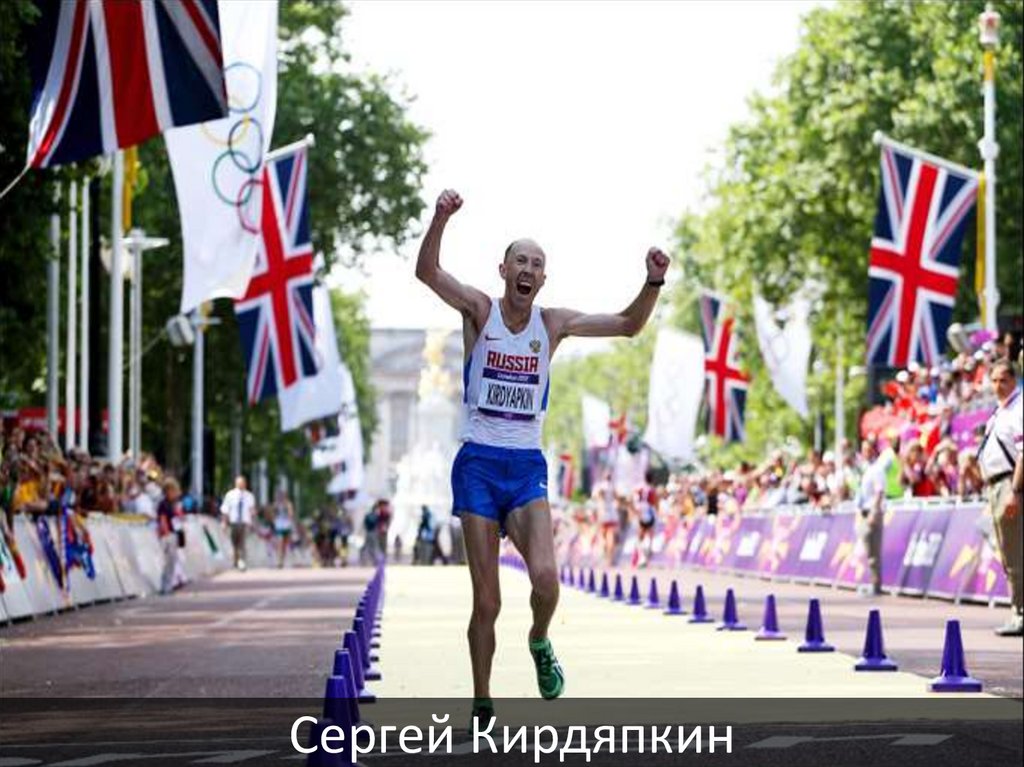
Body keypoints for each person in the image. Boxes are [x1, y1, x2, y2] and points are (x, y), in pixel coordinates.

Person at [415, 188, 669, 723]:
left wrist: (653, 281)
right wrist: (440, 218)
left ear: (542, 280)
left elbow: (628, 325)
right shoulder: (479, 309)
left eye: (537, 264)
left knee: (547, 582)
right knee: (487, 602)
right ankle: (483, 699)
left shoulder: (550, 324)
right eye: (520, 261)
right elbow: (428, 271)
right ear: (504, 269)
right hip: (480, 462)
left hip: (526, 463)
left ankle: (538, 640)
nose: (528, 270)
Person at [977, 359, 1023, 636]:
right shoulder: (1000, 411)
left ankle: (1020, 613)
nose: (997, 386)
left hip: (1009, 485)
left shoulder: (1018, 409)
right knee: (1007, 553)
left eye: (1002, 380)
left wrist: (1015, 492)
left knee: (1015, 551)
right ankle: (1016, 610)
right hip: (994, 486)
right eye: (993, 380)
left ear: (1013, 381)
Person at [854, 439, 889, 596]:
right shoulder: (866, 469)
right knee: (868, 551)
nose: (865, 452)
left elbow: (879, 491)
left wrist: (875, 511)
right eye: (863, 449)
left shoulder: (877, 469)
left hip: (872, 512)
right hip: (864, 512)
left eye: (868, 449)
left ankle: (876, 586)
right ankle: (873, 583)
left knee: (873, 552)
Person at [220, 475, 256, 571]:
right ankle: (235, 561)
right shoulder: (230, 495)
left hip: (244, 523)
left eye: (242, 482)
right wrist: (224, 522)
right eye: (239, 482)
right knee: (234, 543)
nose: (241, 484)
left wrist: (253, 522)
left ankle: (242, 561)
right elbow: (225, 510)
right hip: (233, 522)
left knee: (242, 543)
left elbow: (252, 510)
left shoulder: (249, 496)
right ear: (236, 483)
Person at [156, 478, 185, 595]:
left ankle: (169, 585)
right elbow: (162, 519)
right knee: (167, 562)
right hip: (167, 535)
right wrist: (166, 532)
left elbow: (179, 517)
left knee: (172, 562)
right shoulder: (163, 504)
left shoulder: (173, 504)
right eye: (173, 491)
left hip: (174, 534)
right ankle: (164, 586)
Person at [272, 488, 295, 568]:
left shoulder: (288, 504)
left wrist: (289, 514)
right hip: (279, 525)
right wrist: (274, 520)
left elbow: (291, 514)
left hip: (286, 525)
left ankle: (282, 560)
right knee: (280, 542)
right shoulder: (276, 504)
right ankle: (279, 561)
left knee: (285, 544)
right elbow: (273, 513)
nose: (281, 497)